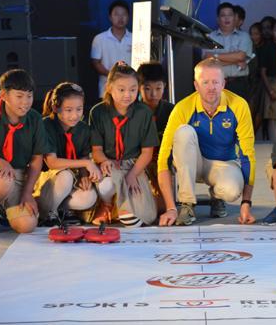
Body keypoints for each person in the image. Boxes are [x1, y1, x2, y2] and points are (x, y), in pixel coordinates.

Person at [157, 58, 256, 226]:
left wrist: (246, 203)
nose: (211, 87)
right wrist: (170, 208)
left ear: (223, 84)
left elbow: (248, 155)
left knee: (231, 190)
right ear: (196, 85)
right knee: (183, 132)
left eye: (216, 82)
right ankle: (186, 205)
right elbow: (163, 157)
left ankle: (217, 197)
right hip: (192, 164)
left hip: (223, 165)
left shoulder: (239, 105)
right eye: (205, 82)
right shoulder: (182, 108)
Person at [89, 62, 159, 227]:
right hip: (110, 164)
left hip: (134, 164)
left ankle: (120, 208)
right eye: (121, 90)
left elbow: (147, 152)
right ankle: (107, 204)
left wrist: (133, 174)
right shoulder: (98, 112)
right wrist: (104, 161)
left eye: (133, 89)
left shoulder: (144, 112)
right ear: (110, 88)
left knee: (141, 218)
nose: (127, 94)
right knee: (106, 185)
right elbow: (96, 150)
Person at [0, 69, 49, 235]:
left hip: (19, 174)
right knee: (3, 183)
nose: (26, 102)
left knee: (27, 225)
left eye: (29, 96)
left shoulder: (34, 119)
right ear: (4, 95)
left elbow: (36, 158)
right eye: (19, 96)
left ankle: (4, 211)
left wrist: (27, 193)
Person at [35, 82, 100, 226]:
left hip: (70, 182)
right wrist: (86, 163)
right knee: (65, 176)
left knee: (89, 197)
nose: (75, 115)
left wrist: (83, 175)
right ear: (55, 107)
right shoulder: (45, 125)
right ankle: (47, 213)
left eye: (79, 109)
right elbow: (52, 162)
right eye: (68, 110)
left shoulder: (83, 128)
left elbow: (83, 155)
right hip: (46, 182)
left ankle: (60, 210)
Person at [137, 61, 174, 215]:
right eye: (147, 89)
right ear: (139, 88)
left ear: (164, 86)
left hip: (164, 161)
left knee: (162, 207)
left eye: (158, 88)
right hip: (140, 162)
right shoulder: (134, 111)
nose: (153, 94)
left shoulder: (171, 110)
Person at [203, 2, 253, 100]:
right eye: (223, 15)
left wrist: (215, 56)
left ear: (235, 18)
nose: (227, 18)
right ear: (218, 19)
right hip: (215, 84)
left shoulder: (244, 36)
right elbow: (207, 60)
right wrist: (235, 60)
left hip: (239, 84)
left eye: (230, 15)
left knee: (238, 114)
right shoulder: (210, 37)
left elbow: (241, 56)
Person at [91, 0, 132, 98]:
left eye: (124, 14)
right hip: (107, 90)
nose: (120, 18)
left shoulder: (135, 38)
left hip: (130, 90)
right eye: (116, 14)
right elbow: (95, 63)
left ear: (128, 17)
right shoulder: (99, 38)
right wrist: (114, 76)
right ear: (110, 17)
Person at [248, 22, 266, 134]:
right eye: (252, 34)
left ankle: (254, 134)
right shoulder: (248, 47)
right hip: (251, 82)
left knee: (261, 110)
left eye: (256, 34)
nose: (254, 36)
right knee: (251, 108)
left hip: (263, 82)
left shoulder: (266, 47)